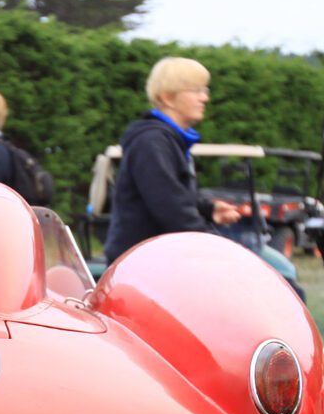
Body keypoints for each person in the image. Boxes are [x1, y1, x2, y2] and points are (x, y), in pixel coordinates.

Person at [103, 57, 241, 264]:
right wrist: (217, 249)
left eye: (205, 90)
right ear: (167, 98)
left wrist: (208, 209)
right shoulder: (151, 142)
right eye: (196, 91)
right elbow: (171, 209)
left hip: (161, 259)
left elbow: (176, 194)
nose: (205, 98)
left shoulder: (169, 140)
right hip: (142, 265)